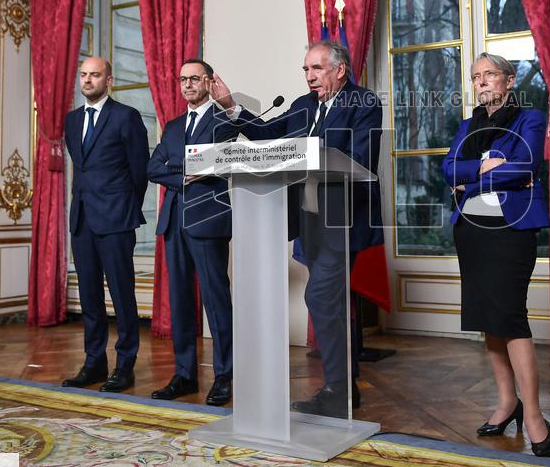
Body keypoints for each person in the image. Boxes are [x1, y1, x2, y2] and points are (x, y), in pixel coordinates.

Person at [211, 40, 383, 417]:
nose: (309, 77)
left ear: (339, 70)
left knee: (321, 299)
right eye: (305, 70)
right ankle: (345, 389)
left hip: (342, 219)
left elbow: (361, 158)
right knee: (332, 302)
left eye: (316, 69)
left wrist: (309, 151)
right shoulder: (303, 106)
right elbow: (266, 136)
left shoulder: (364, 103)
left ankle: (339, 390)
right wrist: (231, 106)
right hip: (308, 220)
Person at [442, 52, 550, 457]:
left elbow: (524, 167)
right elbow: (448, 169)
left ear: (509, 81)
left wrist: (472, 174)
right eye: (476, 77)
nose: (482, 82)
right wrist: (484, 167)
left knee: (509, 315)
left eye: (490, 75)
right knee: (486, 316)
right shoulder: (468, 125)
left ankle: (535, 415)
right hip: (470, 230)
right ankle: (507, 403)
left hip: (511, 227)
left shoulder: (530, 118)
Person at [146, 58, 237, 405]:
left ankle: (224, 376)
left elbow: (225, 158)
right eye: (182, 79)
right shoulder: (171, 127)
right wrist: (185, 173)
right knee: (181, 302)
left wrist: (180, 165)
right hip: (174, 222)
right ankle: (184, 375)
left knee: (216, 302)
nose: (187, 85)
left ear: (209, 82)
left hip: (209, 220)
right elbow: (153, 167)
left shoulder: (222, 121)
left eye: (194, 79)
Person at [62, 56, 149, 393]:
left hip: (116, 219)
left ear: (108, 80)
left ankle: (125, 366)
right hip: (82, 218)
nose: (87, 80)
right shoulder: (71, 120)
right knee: (89, 295)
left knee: (122, 294)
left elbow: (139, 171)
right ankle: (94, 361)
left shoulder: (126, 116)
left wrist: (125, 210)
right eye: (83, 74)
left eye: (95, 75)